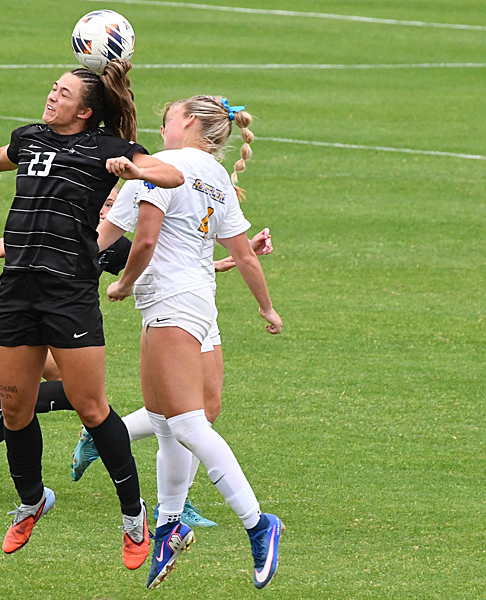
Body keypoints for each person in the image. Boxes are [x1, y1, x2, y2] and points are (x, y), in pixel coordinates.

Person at [0, 59, 183, 569]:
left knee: (92, 408)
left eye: (63, 93)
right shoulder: (31, 137)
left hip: (69, 294)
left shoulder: (107, 147)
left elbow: (170, 173)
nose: (52, 96)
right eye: (53, 89)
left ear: (84, 110)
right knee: (14, 411)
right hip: (16, 291)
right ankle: (31, 501)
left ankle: (134, 517)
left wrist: (135, 171)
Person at [98, 95, 284, 589]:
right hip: (201, 308)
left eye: (167, 120)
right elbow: (244, 255)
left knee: (185, 423)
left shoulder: (157, 167)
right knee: (164, 420)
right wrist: (266, 308)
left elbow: (132, 239)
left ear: (189, 122)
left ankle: (258, 523)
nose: (162, 129)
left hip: (169, 305)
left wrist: (120, 283)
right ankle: (169, 527)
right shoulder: (217, 176)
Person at [0, 191, 130, 507]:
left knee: (7, 417)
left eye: (113, 205)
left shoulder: (113, 243)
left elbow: (154, 261)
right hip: (15, 324)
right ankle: (80, 432)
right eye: (103, 203)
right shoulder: (59, 227)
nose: (107, 211)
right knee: (77, 394)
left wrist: (202, 267)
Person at [70, 228, 273, 531]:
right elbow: (153, 249)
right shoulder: (152, 199)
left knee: (206, 409)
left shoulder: (214, 196)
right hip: (177, 306)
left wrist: (237, 251)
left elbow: (194, 238)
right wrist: (123, 284)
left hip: (201, 299)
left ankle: (109, 437)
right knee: (188, 416)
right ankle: (180, 509)